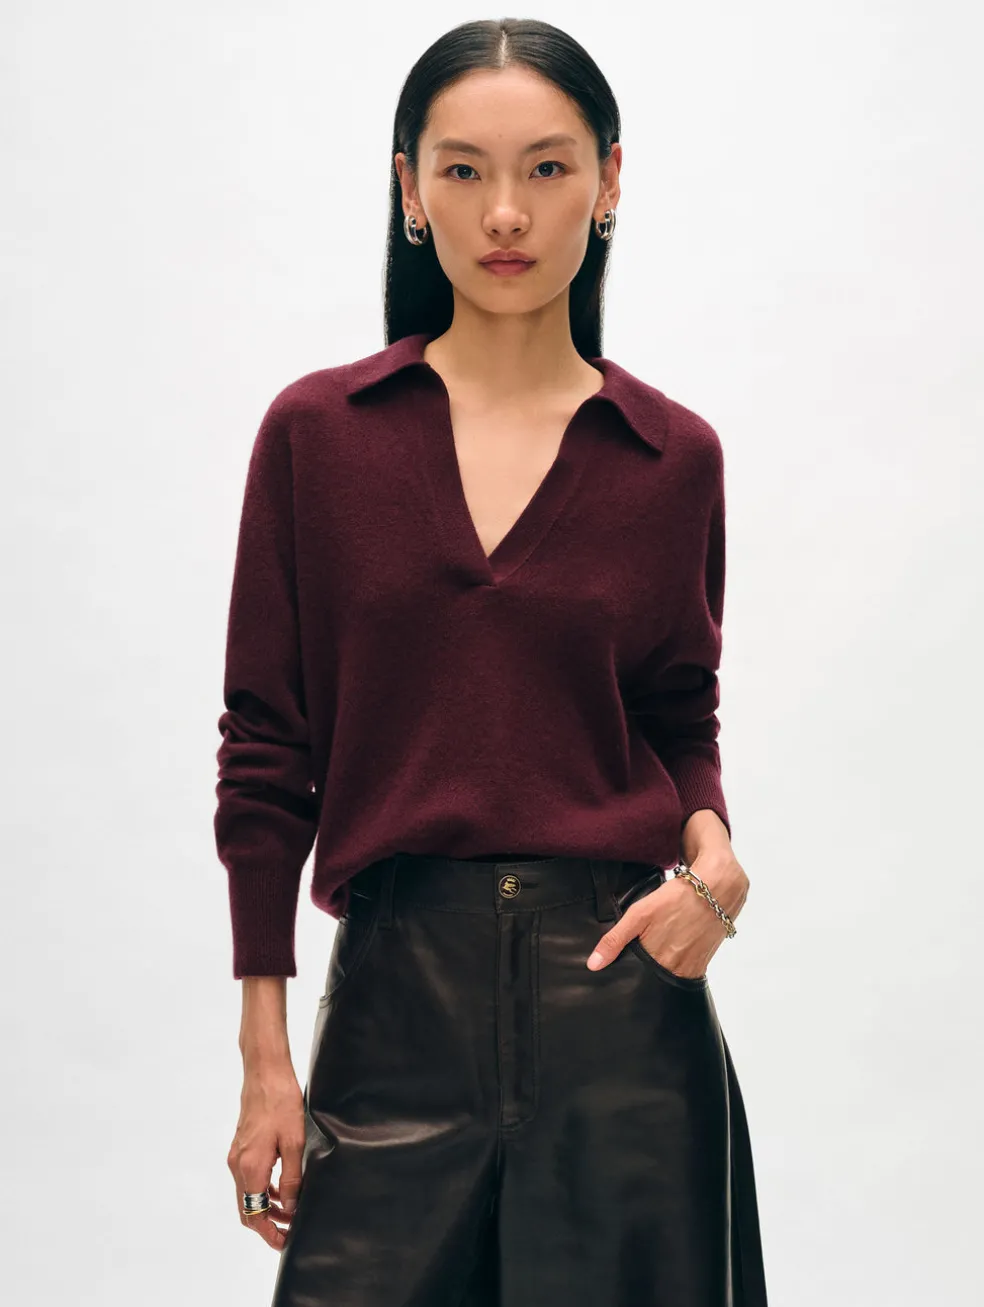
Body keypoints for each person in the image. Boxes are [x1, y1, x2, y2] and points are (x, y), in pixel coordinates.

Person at [215, 16, 769, 1306]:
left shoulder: (669, 457)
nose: (505, 212)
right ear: (408, 189)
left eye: (548, 168)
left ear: (609, 181)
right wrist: (266, 1057)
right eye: (462, 170)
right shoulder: (319, 436)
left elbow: (678, 713)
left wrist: (716, 861)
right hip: (392, 1010)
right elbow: (267, 752)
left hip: (623, 1015)